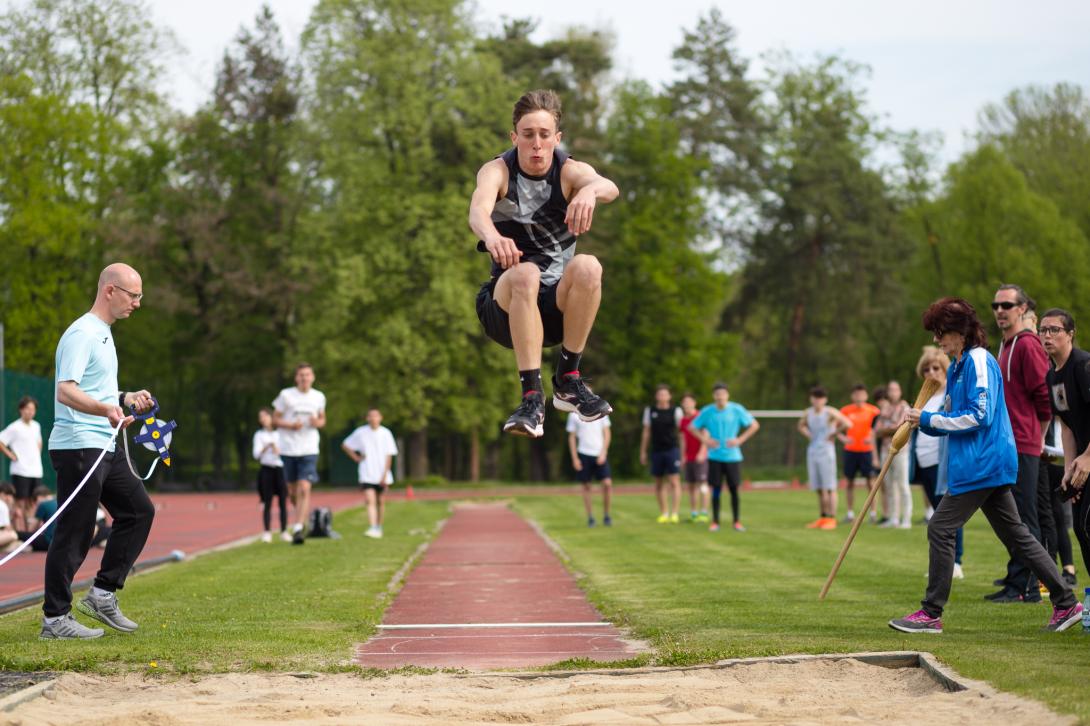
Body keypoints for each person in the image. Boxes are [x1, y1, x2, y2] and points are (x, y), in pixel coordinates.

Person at [890, 297, 1081, 634]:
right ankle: (1066, 603)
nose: (937, 340)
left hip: (984, 462)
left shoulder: (978, 360)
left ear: (959, 332)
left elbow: (979, 416)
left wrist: (929, 417)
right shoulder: (961, 364)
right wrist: (925, 420)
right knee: (1018, 536)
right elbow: (953, 416)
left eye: (941, 332)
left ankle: (931, 613)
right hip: (979, 463)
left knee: (941, 527)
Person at [469, 89, 619, 438]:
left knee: (589, 266)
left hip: (554, 310)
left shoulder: (570, 172)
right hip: (506, 308)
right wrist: (492, 237)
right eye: (528, 135)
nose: (536, 144)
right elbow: (478, 210)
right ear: (514, 137)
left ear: (557, 138)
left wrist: (587, 191)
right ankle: (531, 399)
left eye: (544, 135)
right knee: (525, 273)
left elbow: (608, 186)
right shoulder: (497, 171)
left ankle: (568, 379)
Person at [43, 262, 157, 640]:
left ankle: (103, 595)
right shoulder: (82, 333)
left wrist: (124, 398)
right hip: (80, 445)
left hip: (104, 443)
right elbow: (66, 390)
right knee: (76, 531)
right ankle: (55, 619)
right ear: (110, 291)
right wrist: (107, 409)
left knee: (138, 511)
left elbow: (96, 388)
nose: (138, 303)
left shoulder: (104, 334)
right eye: (133, 295)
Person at [987, 284, 1052, 603]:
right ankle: (1015, 579)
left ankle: (1027, 588)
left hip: (1024, 442)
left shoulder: (1027, 345)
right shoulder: (1007, 344)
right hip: (1007, 442)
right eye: (996, 305)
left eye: (1007, 305)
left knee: (1025, 517)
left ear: (1023, 308)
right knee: (1011, 517)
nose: (1000, 310)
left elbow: (1044, 396)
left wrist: (1038, 438)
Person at [1039, 308, 1090, 581]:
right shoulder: (1052, 376)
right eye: (1043, 330)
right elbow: (1067, 426)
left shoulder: (1084, 366)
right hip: (1082, 463)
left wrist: (1088, 457)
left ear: (1070, 334)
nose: (1047, 335)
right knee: (1081, 531)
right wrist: (1071, 468)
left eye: (1054, 330)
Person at [909, 346, 965, 579]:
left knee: (949, 514)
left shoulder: (949, 396)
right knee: (936, 514)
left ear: (944, 370)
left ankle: (956, 561)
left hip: (942, 462)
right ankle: (942, 564)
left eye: (935, 368)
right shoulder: (925, 398)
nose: (931, 373)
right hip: (923, 460)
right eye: (926, 369)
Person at [690, 383, 760, 532]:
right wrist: (706, 441)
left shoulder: (736, 409)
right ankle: (715, 521)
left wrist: (739, 440)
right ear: (714, 396)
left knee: (734, 489)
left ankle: (737, 521)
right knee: (716, 489)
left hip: (733, 457)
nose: (720, 396)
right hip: (715, 456)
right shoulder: (708, 411)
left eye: (723, 393)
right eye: (717, 394)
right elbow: (692, 427)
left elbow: (754, 425)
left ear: (727, 395)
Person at [273, 363, 327, 536]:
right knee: (292, 490)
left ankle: (298, 526)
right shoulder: (286, 395)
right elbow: (275, 419)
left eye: (307, 375)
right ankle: (301, 515)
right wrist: (290, 425)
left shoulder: (318, 397)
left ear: (313, 377)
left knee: (305, 486)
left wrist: (316, 423)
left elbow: (322, 420)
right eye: (301, 375)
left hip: (309, 447)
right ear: (296, 378)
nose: (304, 378)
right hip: (289, 447)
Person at [341, 408, 398, 539]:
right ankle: (372, 526)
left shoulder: (386, 433)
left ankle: (379, 526)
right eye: (370, 416)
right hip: (367, 472)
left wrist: (385, 473)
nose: (373, 418)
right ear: (367, 418)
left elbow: (389, 455)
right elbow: (345, 445)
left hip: (382, 473)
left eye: (376, 416)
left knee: (380, 501)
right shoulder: (361, 432)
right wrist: (356, 457)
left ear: (380, 418)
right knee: (369, 499)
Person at [798, 386, 850, 530]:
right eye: (815, 397)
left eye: (820, 398)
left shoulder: (830, 412)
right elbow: (800, 426)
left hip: (826, 452)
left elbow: (847, 423)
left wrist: (834, 434)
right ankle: (823, 517)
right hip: (813, 451)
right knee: (819, 487)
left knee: (830, 486)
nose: (817, 400)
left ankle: (831, 518)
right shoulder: (808, 413)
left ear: (825, 399)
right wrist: (808, 435)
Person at [1040, 420, 1077, 586]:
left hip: (1055, 458)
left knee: (1054, 514)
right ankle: (1068, 568)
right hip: (1057, 456)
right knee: (1056, 514)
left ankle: (1065, 569)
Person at [640, 385, 683, 523]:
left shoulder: (676, 411)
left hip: (672, 449)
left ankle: (674, 513)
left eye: (665, 394)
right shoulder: (650, 411)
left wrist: (682, 452)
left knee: (674, 481)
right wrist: (643, 451)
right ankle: (664, 513)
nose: (662, 397)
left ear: (669, 396)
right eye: (660, 394)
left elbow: (681, 433)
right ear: (656, 396)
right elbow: (646, 432)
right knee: (659, 483)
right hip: (657, 450)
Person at [838, 385, 880, 524]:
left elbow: (879, 429)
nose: (859, 397)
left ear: (866, 396)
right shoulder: (845, 410)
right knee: (849, 482)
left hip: (867, 451)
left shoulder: (873, 411)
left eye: (861, 394)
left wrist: (873, 438)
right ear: (852, 396)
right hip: (850, 450)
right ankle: (850, 513)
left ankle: (873, 514)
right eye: (856, 394)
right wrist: (842, 438)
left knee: (870, 482)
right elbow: (834, 427)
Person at [0, 396, 44, 528]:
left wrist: (36, 455)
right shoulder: (14, 427)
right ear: (21, 410)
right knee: (20, 503)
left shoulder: (36, 426)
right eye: (27, 409)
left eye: (32, 409)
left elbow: (39, 442)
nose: (30, 412)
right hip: (20, 470)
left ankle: (29, 533)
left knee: (32, 502)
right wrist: (11, 455)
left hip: (36, 470)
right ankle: (18, 532)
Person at [875, 381, 912, 529]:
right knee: (889, 486)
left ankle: (906, 519)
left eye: (895, 390)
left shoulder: (905, 407)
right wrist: (889, 429)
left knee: (903, 484)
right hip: (886, 449)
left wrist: (888, 429)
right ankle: (893, 518)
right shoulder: (885, 408)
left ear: (900, 391)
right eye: (890, 390)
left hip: (901, 450)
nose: (893, 392)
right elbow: (877, 430)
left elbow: (900, 427)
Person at [567, 412, 612, 527]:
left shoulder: (600, 409)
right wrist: (574, 458)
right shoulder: (574, 414)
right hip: (583, 453)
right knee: (586, 486)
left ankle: (607, 515)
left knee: (607, 483)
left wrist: (603, 452)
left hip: (599, 453)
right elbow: (572, 437)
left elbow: (607, 432)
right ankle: (591, 517)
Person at [252, 408, 289, 543]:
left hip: (279, 469)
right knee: (267, 501)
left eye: (265, 416)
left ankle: (284, 531)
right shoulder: (259, 435)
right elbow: (256, 454)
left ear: (271, 417)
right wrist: (266, 447)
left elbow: (285, 452)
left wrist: (276, 449)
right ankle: (267, 532)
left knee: (283, 502)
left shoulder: (280, 434)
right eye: (260, 417)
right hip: (266, 469)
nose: (263, 419)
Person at [680, 393, 710, 523]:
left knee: (703, 484)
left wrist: (702, 452)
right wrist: (683, 455)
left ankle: (704, 512)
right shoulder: (683, 420)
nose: (687, 405)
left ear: (694, 403)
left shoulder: (700, 417)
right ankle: (694, 513)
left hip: (700, 457)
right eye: (684, 402)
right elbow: (682, 439)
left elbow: (706, 435)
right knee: (691, 486)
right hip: (689, 457)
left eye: (689, 402)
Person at [13, 486, 59, 553]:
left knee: (18, 534)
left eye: (36, 502)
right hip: (61, 542)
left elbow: (31, 529)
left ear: (39, 497)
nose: (36, 505)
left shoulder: (43, 504)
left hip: (48, 542)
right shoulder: (60, 502)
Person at [0, 482, 20, 554]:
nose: (11, 498)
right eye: (10, 495)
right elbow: (7, 529)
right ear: (2, 494)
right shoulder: (2, 505)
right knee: (13, 535)